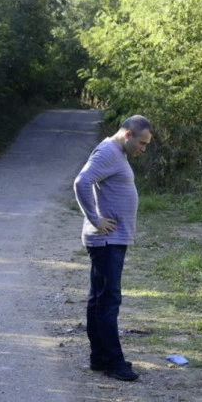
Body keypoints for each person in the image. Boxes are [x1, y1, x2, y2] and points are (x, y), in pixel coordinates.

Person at [73, 115, 152, 381]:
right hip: (107, 240)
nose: (143, 149)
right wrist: (95, 219)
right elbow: (81, 182)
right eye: (142, 143)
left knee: (99, 299)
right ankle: (114, 362)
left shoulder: (116, 153)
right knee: (109, 301)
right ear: (128, 135)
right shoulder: (108, 152)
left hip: (111, 240)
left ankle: (99, 357)